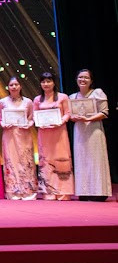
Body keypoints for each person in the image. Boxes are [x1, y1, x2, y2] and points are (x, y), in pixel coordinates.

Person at [70, 69, 112, 201]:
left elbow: (104, 112)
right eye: (80, 77)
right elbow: (70, 114)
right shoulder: (72, 97)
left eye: (86, 77)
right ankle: (84, 191)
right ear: (76, 79)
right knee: (81, 159)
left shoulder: (97, 93)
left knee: (96, 160)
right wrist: (73, 117)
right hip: (79, 131)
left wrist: (88, 119)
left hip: (94, 130)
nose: (83, 80)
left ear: (91, 80)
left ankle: (99, 192)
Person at [34, 71, 73, 200]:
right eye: (43, 82)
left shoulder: (63, 97)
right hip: (44, 134)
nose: (46, 84)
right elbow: (35, 116)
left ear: (54, 83)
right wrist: (39, 123)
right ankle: (48, 192)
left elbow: (68, 113)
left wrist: (61, 121)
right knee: (46, 161)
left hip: (59, 133)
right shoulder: (37, 99)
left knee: (61, 160)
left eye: (48, 81)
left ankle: (63, 192)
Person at [0, 76, 37, 200]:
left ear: (20, 86)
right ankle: (12, 191)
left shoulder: (28, 102)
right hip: (9, 135)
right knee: (11, 161)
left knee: (26, 161)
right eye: (11, 85)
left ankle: (28, 191)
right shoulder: (2, 102)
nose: (14, 87)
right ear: (8, 87)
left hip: (24, 135)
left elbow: (31, 118)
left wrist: (28, 125)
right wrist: (3, 124)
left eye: (16, 84)